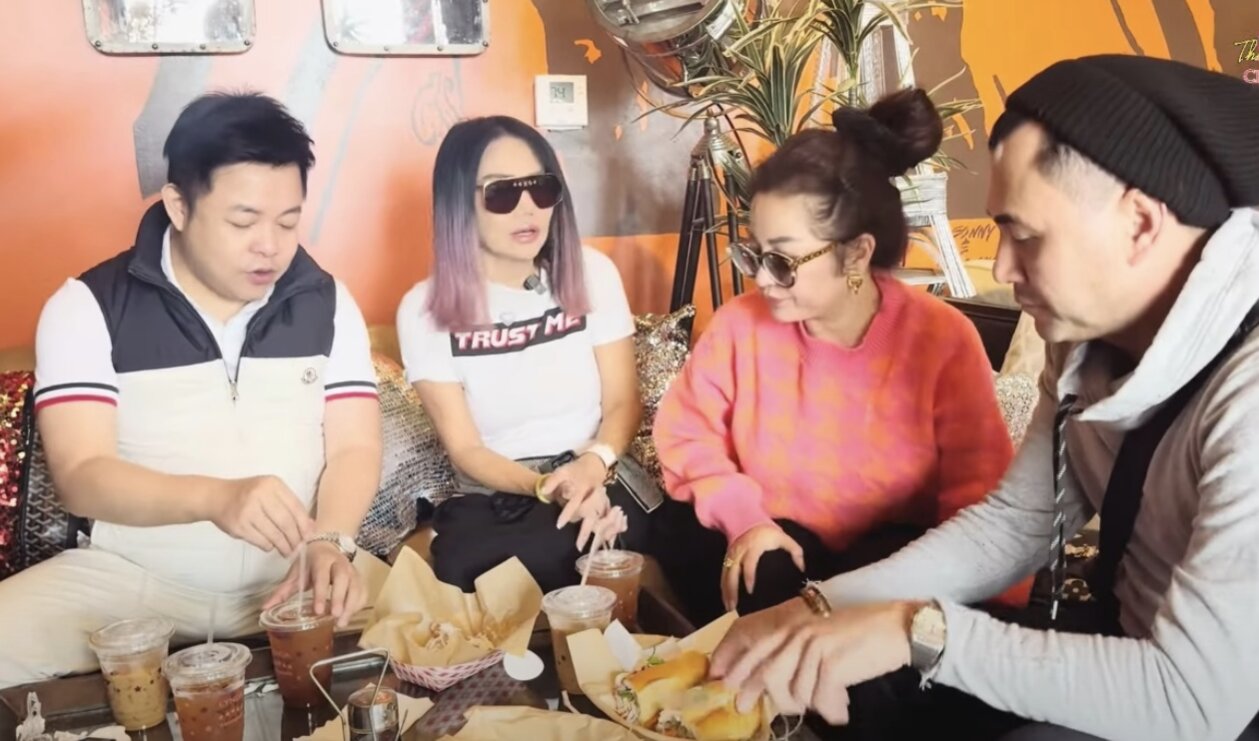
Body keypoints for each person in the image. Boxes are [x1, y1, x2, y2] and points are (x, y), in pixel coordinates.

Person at [709, 56, 1259, 741]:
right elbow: (1015, 523)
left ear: (1140, 224)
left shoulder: (1247, 395)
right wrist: (819, 607)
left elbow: (1196, 702)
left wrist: (913, 628)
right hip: (1124, 644)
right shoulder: (1080, 341)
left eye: (1024, 236)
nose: (1000, 266)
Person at [0, 92, 383, 688]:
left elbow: (356, 446)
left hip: (294, 575)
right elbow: (81, 474)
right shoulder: (89, 306)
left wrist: (332, 541)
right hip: (131, 580)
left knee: (446, 627)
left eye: (287, 222)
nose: (270, 245)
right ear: (178, 205)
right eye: (242, 221)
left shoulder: (327, 302)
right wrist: (215, 499)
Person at [651, 88, 1018, 626]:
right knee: (742, 564)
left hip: (895, 556)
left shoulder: (941, 339)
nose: (761, 279)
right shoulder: (738, 325)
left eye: (782, 260)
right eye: (754, 253)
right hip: (773, 538)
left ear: (857, 253)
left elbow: (978, 494)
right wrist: (744, 519)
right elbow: (687, 437)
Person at [397, 115, 650, 594]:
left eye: (541, 187)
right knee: (498, 558)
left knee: (677, 538)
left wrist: (591, 466)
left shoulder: (593, 273)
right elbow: (466, 449)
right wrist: (548, 486)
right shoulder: (423, 309)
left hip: (599, 466)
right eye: (501, 192)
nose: (528, 208)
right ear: (458, 201)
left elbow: (623, 401)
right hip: (503, 490)